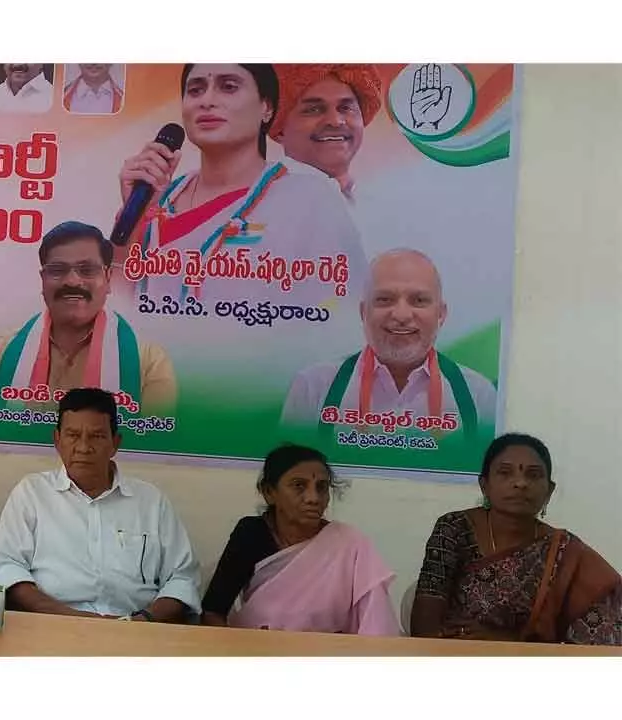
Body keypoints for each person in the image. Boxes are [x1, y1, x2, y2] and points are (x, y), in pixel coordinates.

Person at [115, 63, 367, 309]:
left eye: (228, 87)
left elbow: (346, 309)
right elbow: (115, 304)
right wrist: (133, 219)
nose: (207, 101)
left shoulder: (310, 199)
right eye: (195, 90)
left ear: (266, 108)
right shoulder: (159, 197)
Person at [0, 388, 200, 622]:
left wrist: (142, 622)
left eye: (96, 436)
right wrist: (72, 619)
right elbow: (7, 566)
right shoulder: (32, 493)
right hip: (52, 625)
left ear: (115, 443)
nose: (83, 447)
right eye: (73, 435)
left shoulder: (151, 502)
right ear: (57, 440)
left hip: (136, 629)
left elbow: (182, 579)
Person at [410, 434, 622, 645]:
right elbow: (425, 625)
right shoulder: (454, 528)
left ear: (549, 490)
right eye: (505, 473)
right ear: (484, 485)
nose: (521, 483)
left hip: (530, 662)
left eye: (533, 475)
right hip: (453, 654)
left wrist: (505, 643)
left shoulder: (564, 551)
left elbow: (605, 631)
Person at [279, 248, 497, 438]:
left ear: (441, 313)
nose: (401, 315)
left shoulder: (478, 396)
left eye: (419, 300)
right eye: (385, 299)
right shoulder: (314, 388)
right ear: (364, 312)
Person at [0, 221, 176, 413]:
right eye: (58, 270)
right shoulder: (2, 353)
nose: (73, 281)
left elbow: (154, 436)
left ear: (108, 278)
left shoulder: (149, 362)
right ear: (43, 280)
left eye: (87, 270)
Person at [201, 443, 400, 635]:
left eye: (321, 487)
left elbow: (376, 624)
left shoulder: (350, 544)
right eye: (299, 486)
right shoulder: (251, 534)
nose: (313, 498)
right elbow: (213, 612)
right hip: (257, 649)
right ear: (269, 493)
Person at [270, 64, 382, 199]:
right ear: (280, 129)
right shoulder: (266, 204)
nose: (335, 121)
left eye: (345, 108)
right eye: (313, 109)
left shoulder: (380, 200)